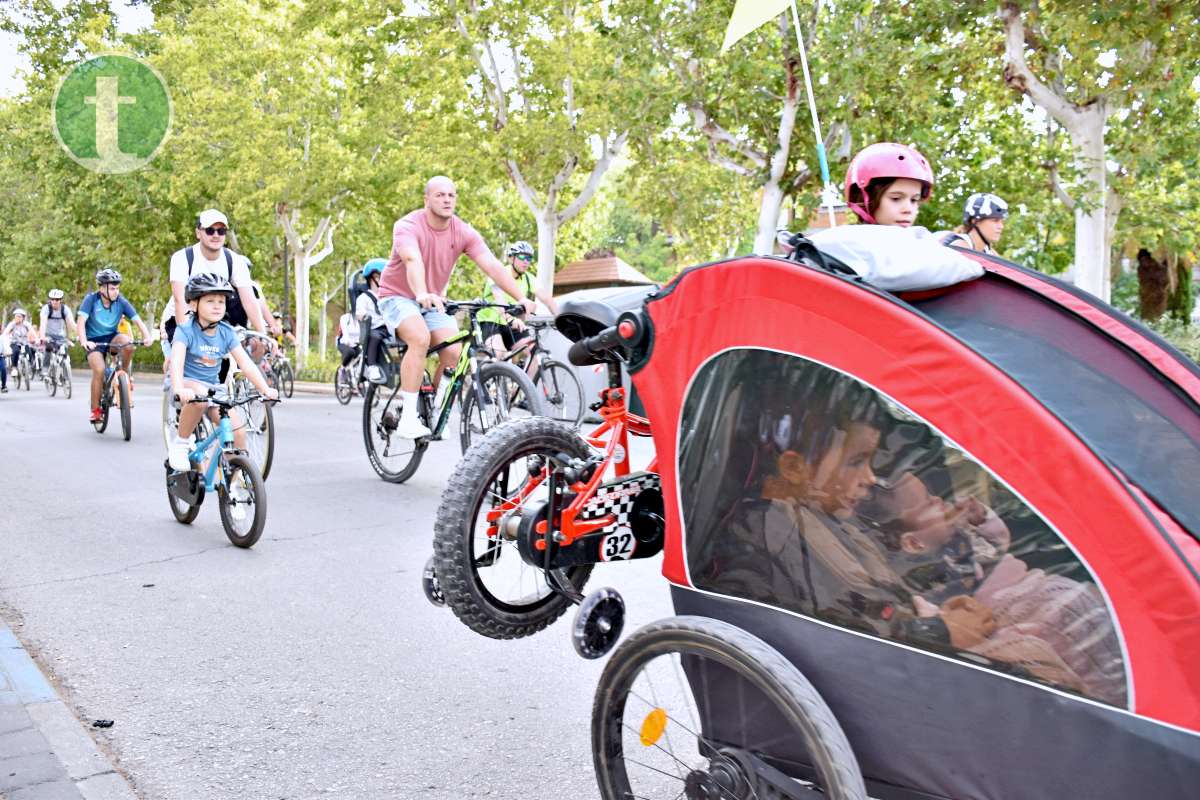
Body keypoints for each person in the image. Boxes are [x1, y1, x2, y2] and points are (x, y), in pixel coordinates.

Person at [861, 472, 1126, 704]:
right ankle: (1109, 696)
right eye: (929, 503)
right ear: (914, 544)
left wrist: (982, 518)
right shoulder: (927, 579)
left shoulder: (962, 537)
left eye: (933, 495)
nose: (940, 500)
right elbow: (940, 613)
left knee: (1106, 641)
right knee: (1089, 662)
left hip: (1048, 589)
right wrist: (934, 620)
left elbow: (999, 544)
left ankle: (1118, 686)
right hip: (1026, 616)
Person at [378, 176, 536, 438]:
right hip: (398, 296)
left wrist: (520, 297)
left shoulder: (462, 231)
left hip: (435, 300)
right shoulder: (407, 225)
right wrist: (421, 292)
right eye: (440, 195)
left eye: (451, 195)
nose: (447, 199)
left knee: (454, 352)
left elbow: (493, 265)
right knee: (419, 337)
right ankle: (407, 417)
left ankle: (435, 409)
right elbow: (411, 258)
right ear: (426, 199)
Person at [167, 274, 278, 471]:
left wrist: (265, 389)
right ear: (193, 304)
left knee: (238, 433)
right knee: (199, 396)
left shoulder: (226, 332)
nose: (217, 306)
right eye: (210, 301)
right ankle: (181, 443)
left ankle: (231, 482)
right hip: (186, 384)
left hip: (214, 389)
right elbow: (176, 363)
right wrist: (178, 388)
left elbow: (246, 363)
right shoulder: (185, 330)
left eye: (221, 301)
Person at [166, 209, 273, 374]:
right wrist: (185, 339)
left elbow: (250, 301)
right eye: (210, 230)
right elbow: (181, 301)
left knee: (236, 363)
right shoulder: (183, 258)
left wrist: (262, 336)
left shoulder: (235, 261)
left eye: (221, 231)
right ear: (198, 233)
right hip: (180, 320)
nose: (216, 235)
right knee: (184, 373)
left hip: (215, 320)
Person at [77, 268, 154, 423]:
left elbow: (137, 320)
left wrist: (147, 337)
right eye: (112, 288)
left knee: (128, 344)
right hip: (94, 341)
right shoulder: (91, 300)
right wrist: (84, 341)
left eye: (117, 288)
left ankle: (123, 375)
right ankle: (96, 410)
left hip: (112, 337)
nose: (115, 292)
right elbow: (81, 322)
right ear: (102, 288)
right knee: (99, 370)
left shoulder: (121, 301)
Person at [477, 241, 559, 356]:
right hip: (491, 322)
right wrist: (511, 319)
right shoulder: (499, 273)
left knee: (534, 352)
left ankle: (520, 374)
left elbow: (547, 299)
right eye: (521, 256)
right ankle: (485, 372)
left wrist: (561, 319)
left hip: (512, 323)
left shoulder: (528, 278)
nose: (526, 261)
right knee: (498, 354)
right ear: (511, 259)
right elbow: (499, 301)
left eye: (529, 258)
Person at [843, 141, 934, 228]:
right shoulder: (845, 242)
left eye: (914, 200)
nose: (908, 210)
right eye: (896, 198)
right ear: (865, 198)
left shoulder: (921, 240)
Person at [356, 259, 390, 384]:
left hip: (390, 327)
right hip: (375, 327)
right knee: (374, 337)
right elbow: (359, 313)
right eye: (381, 277)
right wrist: (363, 316)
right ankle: (372, 367)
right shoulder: (364, 297)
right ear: (373, 278)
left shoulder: (388, 297)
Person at [938, 193, 1008, 254]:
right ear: (975, 221)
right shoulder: (960, 248)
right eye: (995, 220)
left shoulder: (989, 252)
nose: (1001, 226)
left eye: (1002, 222)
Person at [3, 308, 40, 390]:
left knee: (29, 353)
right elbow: (5, 333)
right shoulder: (12, 324)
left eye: (19, 317)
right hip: (14, 343)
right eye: (16, 316)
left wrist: (37, 338)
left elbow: (32, 332)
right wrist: (3, 339)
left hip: (24, 343)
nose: (18, 318)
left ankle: (28, 367)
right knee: (15, 351)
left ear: (23, 318)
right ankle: (14, 368)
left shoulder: (26, 324)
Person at [38, 290, 74, 361]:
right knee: (49, 349)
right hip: (49, 336)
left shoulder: (65, 309)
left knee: (64, 354)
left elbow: (71, 323)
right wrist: (42, 337)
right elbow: (43, 323)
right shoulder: (46, 309)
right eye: (52, 299)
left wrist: (80, 336)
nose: (54, 301)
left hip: (61, 337)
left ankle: (64, 368)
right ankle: (45, 369)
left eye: (57, 299)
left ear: (60, 300)